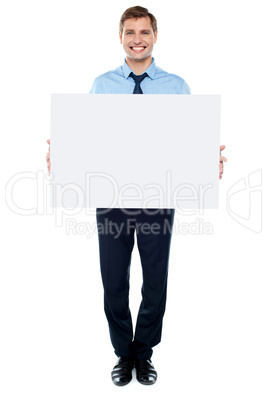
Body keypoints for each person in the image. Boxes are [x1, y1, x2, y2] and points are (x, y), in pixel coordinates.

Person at [46, 6, 227, 386]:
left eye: (144, 31)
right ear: (121, 37)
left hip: (159, 197)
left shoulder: (177, 86)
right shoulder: (101, 84)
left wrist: (208, 160)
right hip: (111, 195)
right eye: (130, 32)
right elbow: (86, 139)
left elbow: (191, 142)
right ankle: (122, 353)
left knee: (155, 280)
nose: (137, 38)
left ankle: (143, 352)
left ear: (155, 36)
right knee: (113, 280)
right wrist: (62, 155)